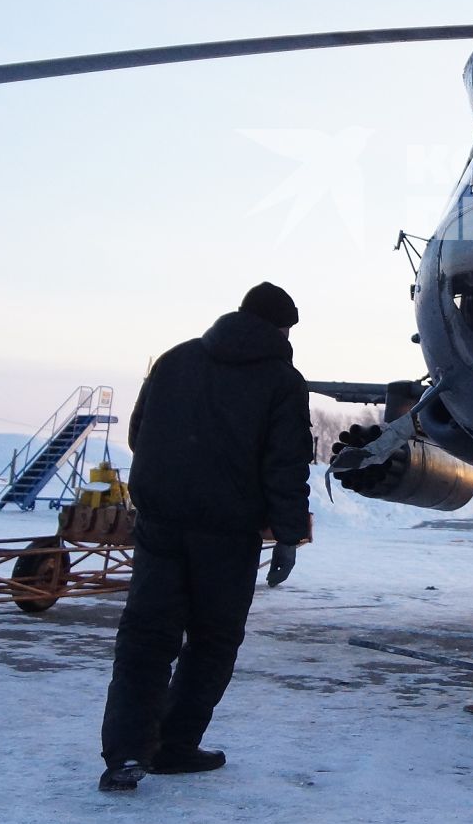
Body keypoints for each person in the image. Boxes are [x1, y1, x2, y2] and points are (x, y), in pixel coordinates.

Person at [98, 282, 313, 794]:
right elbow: (285, 464)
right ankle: (173, 746)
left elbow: (138, 433)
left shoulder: (174, 360)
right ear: (282, 329)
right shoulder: (281, 379)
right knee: (212, 642)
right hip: (228, 534)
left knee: (146, 640)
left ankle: (125, 754)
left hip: (161, 526)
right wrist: (286, 536)